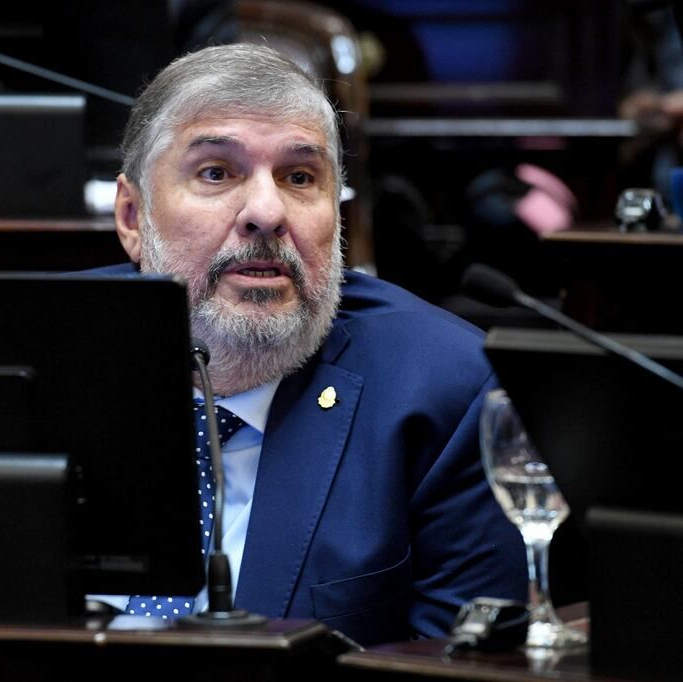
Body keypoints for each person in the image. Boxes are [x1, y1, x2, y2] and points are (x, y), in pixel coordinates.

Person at [98, 43, 526, 646]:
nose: (267, 212)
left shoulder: (446, 388)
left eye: (300, 177)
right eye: (216, 172)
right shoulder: (24, 348)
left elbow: (461, 669)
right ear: (133, 217)